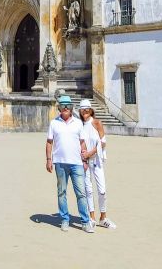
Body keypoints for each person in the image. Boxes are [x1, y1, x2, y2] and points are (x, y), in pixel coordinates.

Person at [46, 95, 94, 233]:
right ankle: (65, 219)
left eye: (67, 105)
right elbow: (49, 142)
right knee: (62, 192)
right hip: (60, 162)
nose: (65, 107)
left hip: (77, 163)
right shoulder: (54, 123)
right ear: (59, 108)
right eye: (63, 105)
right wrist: (49, 159)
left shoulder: (78, 123)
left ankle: (85, 222)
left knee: (81, 193)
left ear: (72, 108)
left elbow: (82, 142)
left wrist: (84, 159)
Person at [79, 99, 116, 228]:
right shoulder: (79, 125)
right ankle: (92, 217)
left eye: (87, 109)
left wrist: (91, 152)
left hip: (97, 161)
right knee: (88, 191)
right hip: (84, 163)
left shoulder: (96, 123)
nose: (85, 111)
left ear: (91, 110)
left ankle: (103, 217)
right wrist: (84, 156)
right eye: (82, 109)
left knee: (102, 191)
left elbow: (103, 141)